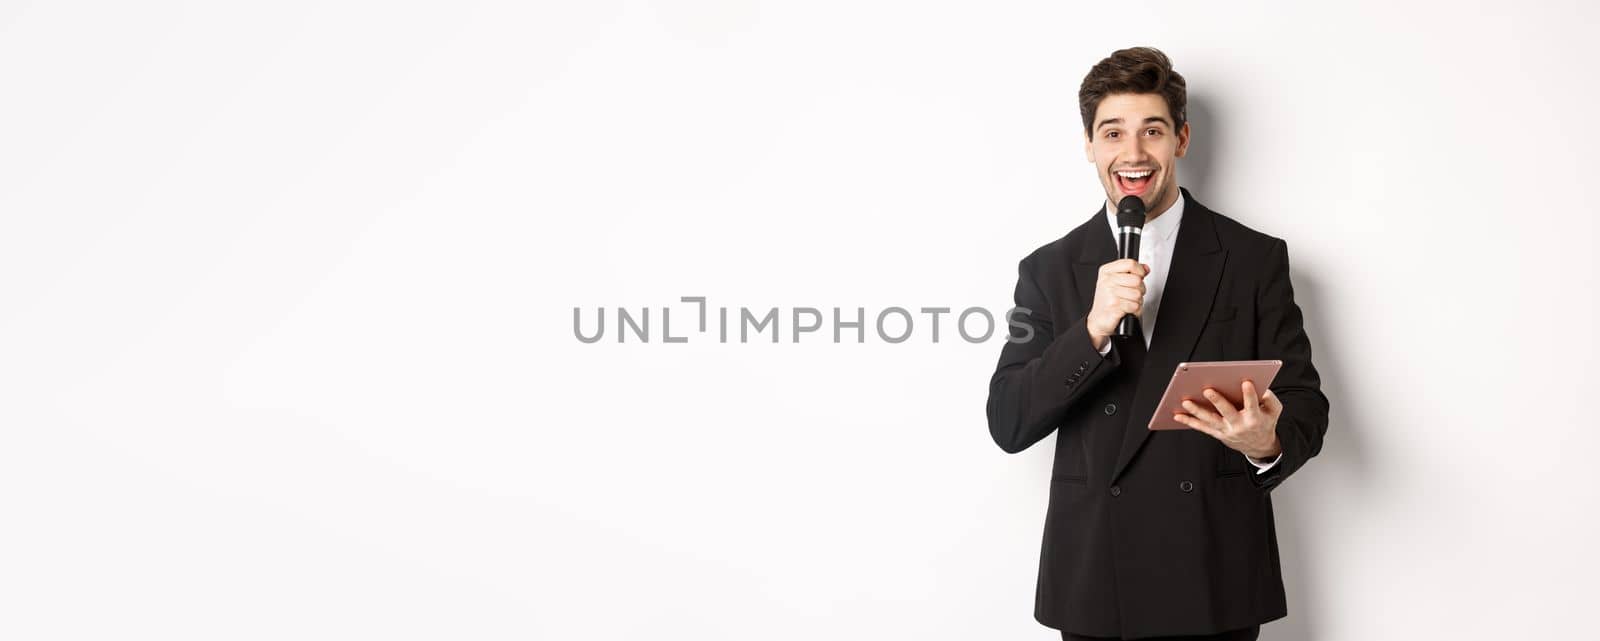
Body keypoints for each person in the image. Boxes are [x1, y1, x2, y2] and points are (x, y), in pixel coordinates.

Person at [985, 47, 1331, 640]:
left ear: (1182, 139)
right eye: (1112, 132)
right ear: (1089, 145)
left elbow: (1306, 404)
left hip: (1211, 570)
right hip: (1098, 578)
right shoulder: (1048, 269)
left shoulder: (1252, 258)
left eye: (1153, 130)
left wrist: (1264, 440)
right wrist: (1090, 331)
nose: (1134, 153)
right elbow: (1009, 421)